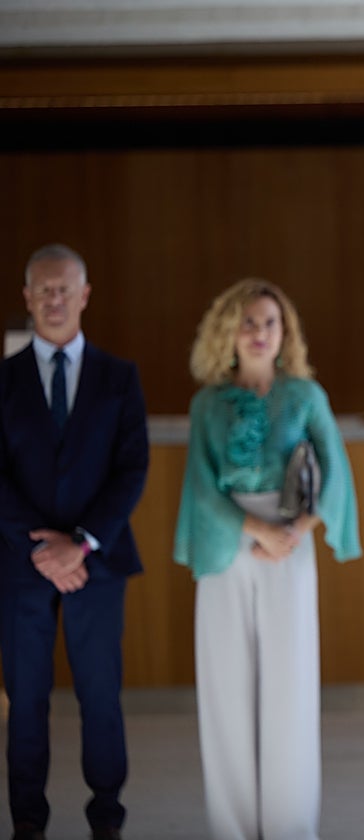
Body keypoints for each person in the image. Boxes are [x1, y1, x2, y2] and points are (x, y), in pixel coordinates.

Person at [173, 279, 360, 840]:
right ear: (229, 332)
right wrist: (254, 528)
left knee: (291, 689)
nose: (259, 333)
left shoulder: (305, 396)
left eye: (270, 323)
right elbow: (202, 488)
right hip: (225, 549)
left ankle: (289, 826)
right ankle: (231, 828)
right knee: (224, 692)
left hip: (291, 553)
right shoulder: (206, 403)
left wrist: (295, 530)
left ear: (285, 334)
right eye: (249, 323)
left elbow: (336, 475)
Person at [0, 244, 149, 840]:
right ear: (27, 298)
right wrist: (41, 547)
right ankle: (28, 823)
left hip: (98, 563)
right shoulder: (4, 380)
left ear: (85, 295)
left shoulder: (119, 377)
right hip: (20, 565)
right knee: (26, 702)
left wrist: (80, 543)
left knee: (100, 698)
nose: (55, 299)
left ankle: (106, 820)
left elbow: (132, 468)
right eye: (44, 290)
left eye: (65, 289)